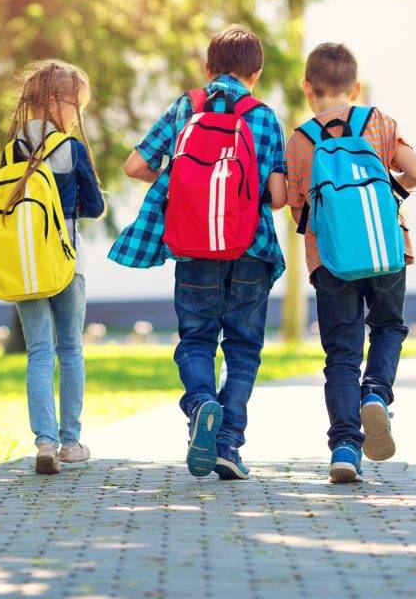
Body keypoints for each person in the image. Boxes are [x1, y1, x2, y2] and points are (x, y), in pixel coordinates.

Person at [113, 25, 287, 480]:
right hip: (252, 246)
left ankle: (200, 404)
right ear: (257, 72)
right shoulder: (264, 116)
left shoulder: (184, 106)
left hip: (194, 247)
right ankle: (229, 443)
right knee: (244, 347)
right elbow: (280, 194)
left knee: (196, 339)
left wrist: (186, 185)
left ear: (207, 68)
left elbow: (135, 166)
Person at [285, 42, 416, 483]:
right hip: (387, 251)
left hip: (331, 259)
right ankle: (377, 394)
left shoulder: (301, 140)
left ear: (308, 88)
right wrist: (390, 190)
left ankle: (345, 447)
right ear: (357, 86)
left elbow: (296, 210)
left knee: (342, 353)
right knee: (387, 327)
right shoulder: (379, 123)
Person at [4, 61, 105, 475]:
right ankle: (70, 442)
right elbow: (95, 207)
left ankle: (43, 441)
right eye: (76, 104)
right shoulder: (71, 148)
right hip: (65, 260)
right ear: (60, 103)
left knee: (39, 352)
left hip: (24, 263)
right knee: (70, 349)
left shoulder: (13, 149)